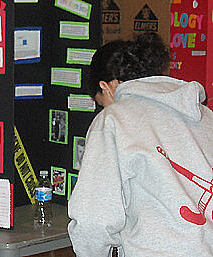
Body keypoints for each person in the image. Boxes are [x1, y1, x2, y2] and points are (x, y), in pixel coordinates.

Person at [68, 32, 213, 256]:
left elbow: (94, 219)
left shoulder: (114, 120)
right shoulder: (205, 115)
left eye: (102, 102)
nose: (105, 108)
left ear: (107, 87)